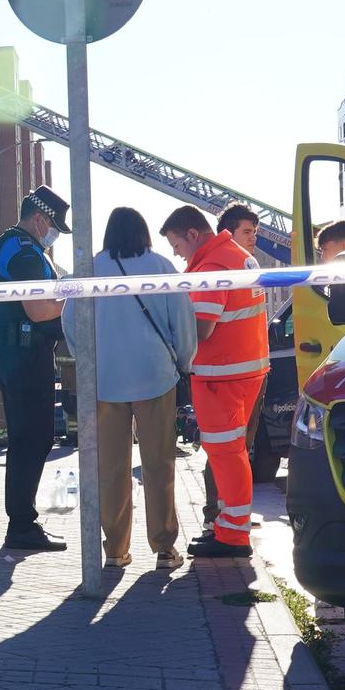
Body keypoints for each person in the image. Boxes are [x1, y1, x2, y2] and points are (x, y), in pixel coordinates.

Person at [64, 208, 193, 571]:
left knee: (111, 469)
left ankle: (115, 550)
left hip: (104, 380)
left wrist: (88, 362)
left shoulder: (89, 269)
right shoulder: (162, 266)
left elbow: (71, 323)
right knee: (158, 465)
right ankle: (165, 547)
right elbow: (181, 322)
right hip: (155, 376)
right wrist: (183, 361)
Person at [165, 203, 267, 559]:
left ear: (193, 235)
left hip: (221, 374)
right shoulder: (237, 255)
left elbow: (202, 327)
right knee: (232, 452)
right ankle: (229, 527)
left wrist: (167, 333)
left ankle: (233, 536)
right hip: (244, 368)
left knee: (225, 453)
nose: (178, 256)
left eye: (178, 246)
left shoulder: (212, 266)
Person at [0, 186, 73, 552]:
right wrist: (74, 296)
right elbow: (38, 310)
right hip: (23, 353)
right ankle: (21, 525)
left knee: (32, 437)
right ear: (40, 219)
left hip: (21, 352)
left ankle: (22, 521)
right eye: (53, 225)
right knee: (31, 438)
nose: (54, 233)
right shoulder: (23, 251)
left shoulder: (22, 247)